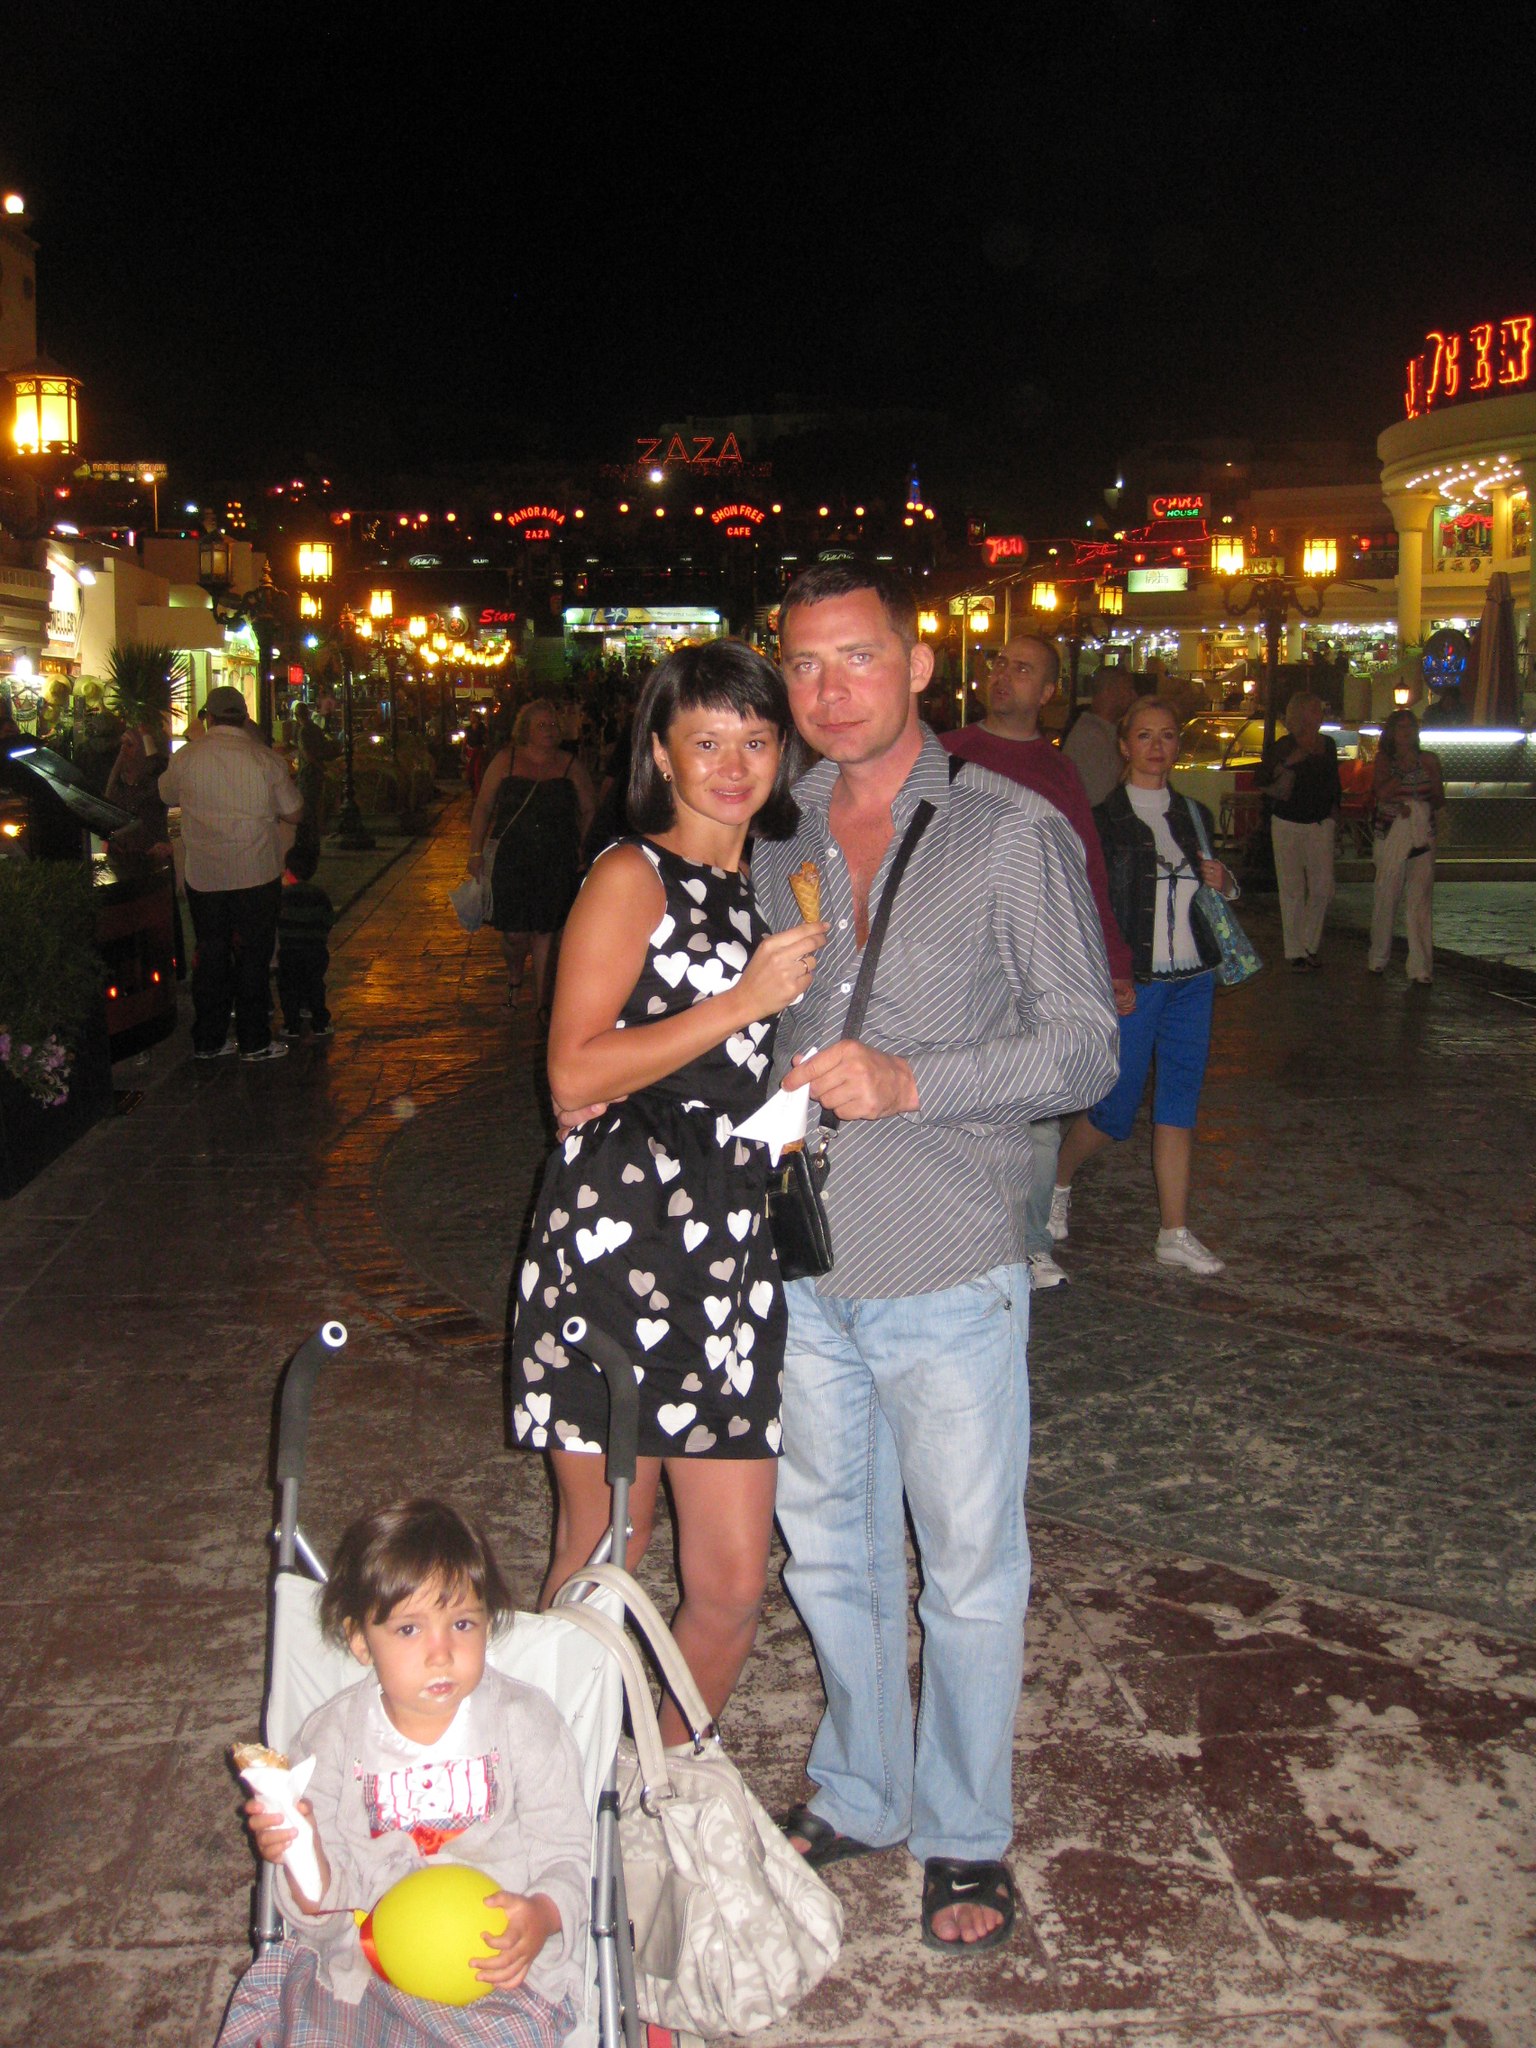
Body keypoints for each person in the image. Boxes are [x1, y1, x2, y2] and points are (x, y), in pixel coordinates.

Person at [756, 560, 1118, 1954]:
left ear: (918, 664)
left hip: (948, 1254)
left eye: (857, 656)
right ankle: (863, 1785)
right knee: (830, 1553)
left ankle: (966, 1828)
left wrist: (917, 1081)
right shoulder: (772, 831)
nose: (829, 688)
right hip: (802, 1259)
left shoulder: (1007, 832)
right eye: (804, 663)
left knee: (968, 1565)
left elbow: (1083, 1047)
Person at [511, 641, 824, 1746]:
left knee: (733, 1585)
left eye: (755, 740)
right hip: (620, 1238)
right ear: (659, 752)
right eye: (706, 741)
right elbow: (572, 1071)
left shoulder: (772, 883)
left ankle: (653, 1787)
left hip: (730, 1249)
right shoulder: (629, 875)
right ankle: (559, 1792)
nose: (733, 766)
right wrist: (741, 1003)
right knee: (608, 1552)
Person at [219, 1498, 589, 2048]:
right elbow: (320, 1917)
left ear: (488, 1623)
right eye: (410, 1629)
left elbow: (568, 1855)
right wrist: (301, 1853)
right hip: (365, 1972)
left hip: (498, 1977)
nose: (441, 1653)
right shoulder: (331, 1740)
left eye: (462, 1623)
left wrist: (542, 1914)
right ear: (360, 1641)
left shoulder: (526, 1724)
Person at [943, 634, 1136, 1290]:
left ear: (1048, 692)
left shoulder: (1058, 773)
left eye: (1022, 669)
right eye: (999, 663)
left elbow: (1088, 872)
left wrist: (1112, 962)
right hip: (962, 959)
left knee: (1039, 1117)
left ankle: (1027, 1243)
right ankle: (964, 1237)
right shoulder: (946, 754)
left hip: (1037, 962)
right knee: (963, 1104)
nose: (1003, 675)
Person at [1052, 698, 1240, 1278]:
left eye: (1167, 735)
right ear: (1124, 745)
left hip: (1193, 980)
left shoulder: (1193, 814)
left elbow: (1216, 890)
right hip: (1137, 982)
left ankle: (1174, 1231)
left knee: (1179, 1103)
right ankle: (1057, 1180)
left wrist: (1226, 882)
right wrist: (1107, 973)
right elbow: (1088, 905)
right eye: (1144, 735)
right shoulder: (1102, 820)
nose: (1157, 747)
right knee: (1115, 1107)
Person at [158, 685, 303, 1063]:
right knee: (254, 957)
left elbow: (166, 795)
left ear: (208, 717)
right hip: (256, 871)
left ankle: (209, 1039)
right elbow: (294, 812)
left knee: (211, 954)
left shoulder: (187, 757)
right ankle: (254, 1041)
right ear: (244, 718)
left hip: (205, 875)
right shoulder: (265, 759)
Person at [466, 699, 597, 1012]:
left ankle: (542, 1004)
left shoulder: (569, 765)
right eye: (541, 725)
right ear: (525, 730)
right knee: (514, 934)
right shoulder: (506, 760)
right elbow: (483, 807)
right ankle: (514, 973)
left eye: (552, 725)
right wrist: (475, 851)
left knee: (545, 930)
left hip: (555, 858)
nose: (549, 730)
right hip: (513, 858)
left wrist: (584, 844)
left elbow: (589, 808)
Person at [1255, 689, 1341, 970]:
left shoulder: (1327, 745)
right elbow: (1262, 777)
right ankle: (1296, 951)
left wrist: (1334, 816)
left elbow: (1333, 783)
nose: (1320, 715)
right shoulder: (1284, 746)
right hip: (1288, 821)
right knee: (1291, 888)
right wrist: (1288, 762)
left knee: (1323, 887)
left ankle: (1308, 942)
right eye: (1316, 710)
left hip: (1319, 822)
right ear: (1303, 714)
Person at [1368, 707, 1445, 984]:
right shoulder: (1384, 760)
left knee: (1420, 899)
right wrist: (1402, 771)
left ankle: (1421, 967)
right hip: (1392, 831)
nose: (1406, 732)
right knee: (1387, 894)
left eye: (1411, 727)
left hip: (1422, 831)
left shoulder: (1429, 760)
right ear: (1392, 732)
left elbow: (1438, 797)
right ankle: (1378, 956)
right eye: (1401, 727)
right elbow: (1381, 792)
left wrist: (1423, 807)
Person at [277, 840, 337, 1040]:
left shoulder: (282, 896)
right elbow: (329, 919)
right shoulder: (319, 895)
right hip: (315, 950)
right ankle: (320, 1023)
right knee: (315, 984)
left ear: (288, 869)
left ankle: (291, 1025)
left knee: (289, 987)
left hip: (289, 950)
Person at [1063, 665, 1137, 805]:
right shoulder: (1091, 738)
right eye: (1128, 689)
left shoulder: (1104, 731)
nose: (1133, 696)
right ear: (1110, 691)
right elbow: (1101, 799)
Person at [291, 701, 339, 853]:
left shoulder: (303, 731)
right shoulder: (315, 729)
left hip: (308, 773)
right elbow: (325, 748)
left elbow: (307, 754)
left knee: (307, 808)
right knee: (315, 805)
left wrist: (318, 766)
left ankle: (308, 841)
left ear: (297, 715)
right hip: (316, 772)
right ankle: (314, 838)